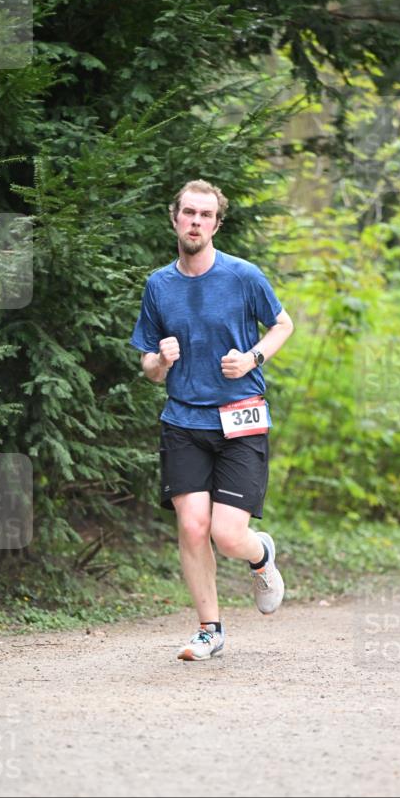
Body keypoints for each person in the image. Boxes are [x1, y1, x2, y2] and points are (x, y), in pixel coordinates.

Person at [130, 179, 294, 661]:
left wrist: (252, 358)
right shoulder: (159, 285)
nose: (196, 222)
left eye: (205, 215)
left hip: (240, 417)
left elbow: (283, 324)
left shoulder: (243, 276)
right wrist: (161, 360)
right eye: (189, 212)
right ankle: (209, 630)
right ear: (174, 218)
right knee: (192, 525)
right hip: (184, 420)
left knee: (228, 535)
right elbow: (148, 367)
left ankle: (261, 555)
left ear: (216, 224)